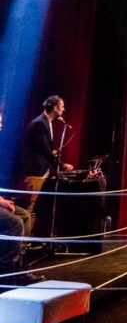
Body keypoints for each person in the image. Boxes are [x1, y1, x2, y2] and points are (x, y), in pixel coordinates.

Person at [21, 95, 74, 232]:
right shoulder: (39, 123)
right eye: (62, 106)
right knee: (29, 210)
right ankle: (22, 245)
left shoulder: (46, 122)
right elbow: (44, 150)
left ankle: (29, 241)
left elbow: (45, 148)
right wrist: (61, 165)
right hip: (35, 172)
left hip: (42, 171)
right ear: (55, 108)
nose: (64, 108)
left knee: (36, 209)